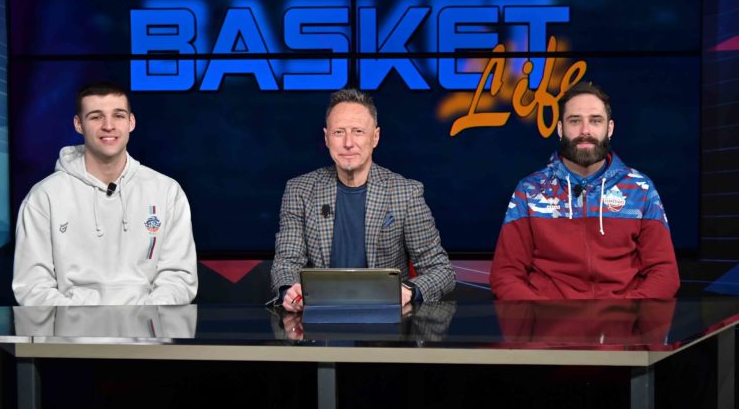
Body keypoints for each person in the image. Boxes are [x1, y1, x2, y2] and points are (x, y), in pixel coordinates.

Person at [13, 81, 198, 305]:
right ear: (78, 124)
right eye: (96, 117)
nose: (108, 126)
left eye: (118, 116)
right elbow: (32, 286)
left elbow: (178, 279)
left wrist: (142, 318)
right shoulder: (44, 197)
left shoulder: (167, 191)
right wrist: (84, 322)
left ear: (131, 122)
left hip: (147, 325)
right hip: (71, 326)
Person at [490, 81, 679, 300]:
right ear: (560, 129)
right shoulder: (530, 190)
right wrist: (543, 316)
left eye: (595, 120)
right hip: (549, 319)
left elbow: (665, 274)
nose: (585, 131)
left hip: (623, 318)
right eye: (575, 121)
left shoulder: (640, 189)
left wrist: (627, 314)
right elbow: (505, 275)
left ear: (610, 129)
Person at [270, 88, 455, 311]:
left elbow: (441, 270)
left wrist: (407, 290)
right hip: (318, 319)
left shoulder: (406, 193)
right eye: (339, 132)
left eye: (358, 131)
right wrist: (289, 290)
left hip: (387, 322)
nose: (348, 143)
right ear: (327, 138)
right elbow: (287, 262)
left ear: (375, 137)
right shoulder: (299, 191)